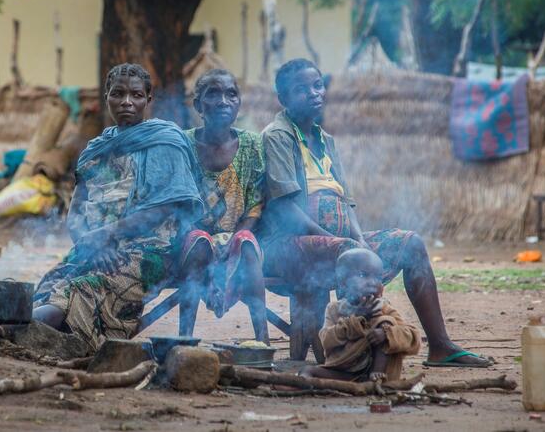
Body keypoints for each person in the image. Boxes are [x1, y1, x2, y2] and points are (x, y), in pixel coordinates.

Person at [260, 58, 489, 367]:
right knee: (353, 256)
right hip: (291, 245)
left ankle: (440, 346)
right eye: (301, 90)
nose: (314, 93)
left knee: (411, 244)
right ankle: (353, 352)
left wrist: (358, 239)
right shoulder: (277, 135)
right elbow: (284, 207)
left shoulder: (326, 140)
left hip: (338, 244)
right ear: (283, 99)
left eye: (317, 85)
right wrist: (339, 241)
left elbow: (347, 202)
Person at [32, 63, 203, 352]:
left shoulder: (166, 142)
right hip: (94, 249)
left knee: (81, 290)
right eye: (118, 94)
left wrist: (107, 235)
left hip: (149, 250)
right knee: (49, 287)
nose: (127, 102)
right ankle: (14, 333)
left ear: (149, 100)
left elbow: (164, 208)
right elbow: (75, 215)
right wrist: (96, 245)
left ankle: (7, 331)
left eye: (136, 95)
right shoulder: (96, 150)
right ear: (107, 97)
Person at [179, 69, 269, 343]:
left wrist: (230, 240)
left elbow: (256, 202)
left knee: (246, 242)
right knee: (199, 242)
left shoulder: (252, 144)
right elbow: (178, 203)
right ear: (198, 105)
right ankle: (184, 341)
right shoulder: (182, 143)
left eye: (231, 94)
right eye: (213, 94)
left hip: (239, 236)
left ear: (239, 103)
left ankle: (262, 343)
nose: (223, 101)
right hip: (192, 238)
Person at [299, 249, 420, 382]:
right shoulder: (334, 309)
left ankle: (376, 374)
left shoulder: (384, 307)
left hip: (380, 376)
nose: (372, 282)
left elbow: (413, 337)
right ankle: (303, 384)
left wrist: (386, 334)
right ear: (344, 283)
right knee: (307, 370)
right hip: (345, 372)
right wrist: (355, 319)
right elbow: (326, 340)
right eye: (363, 275)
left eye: (378, 277)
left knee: (385, 321)